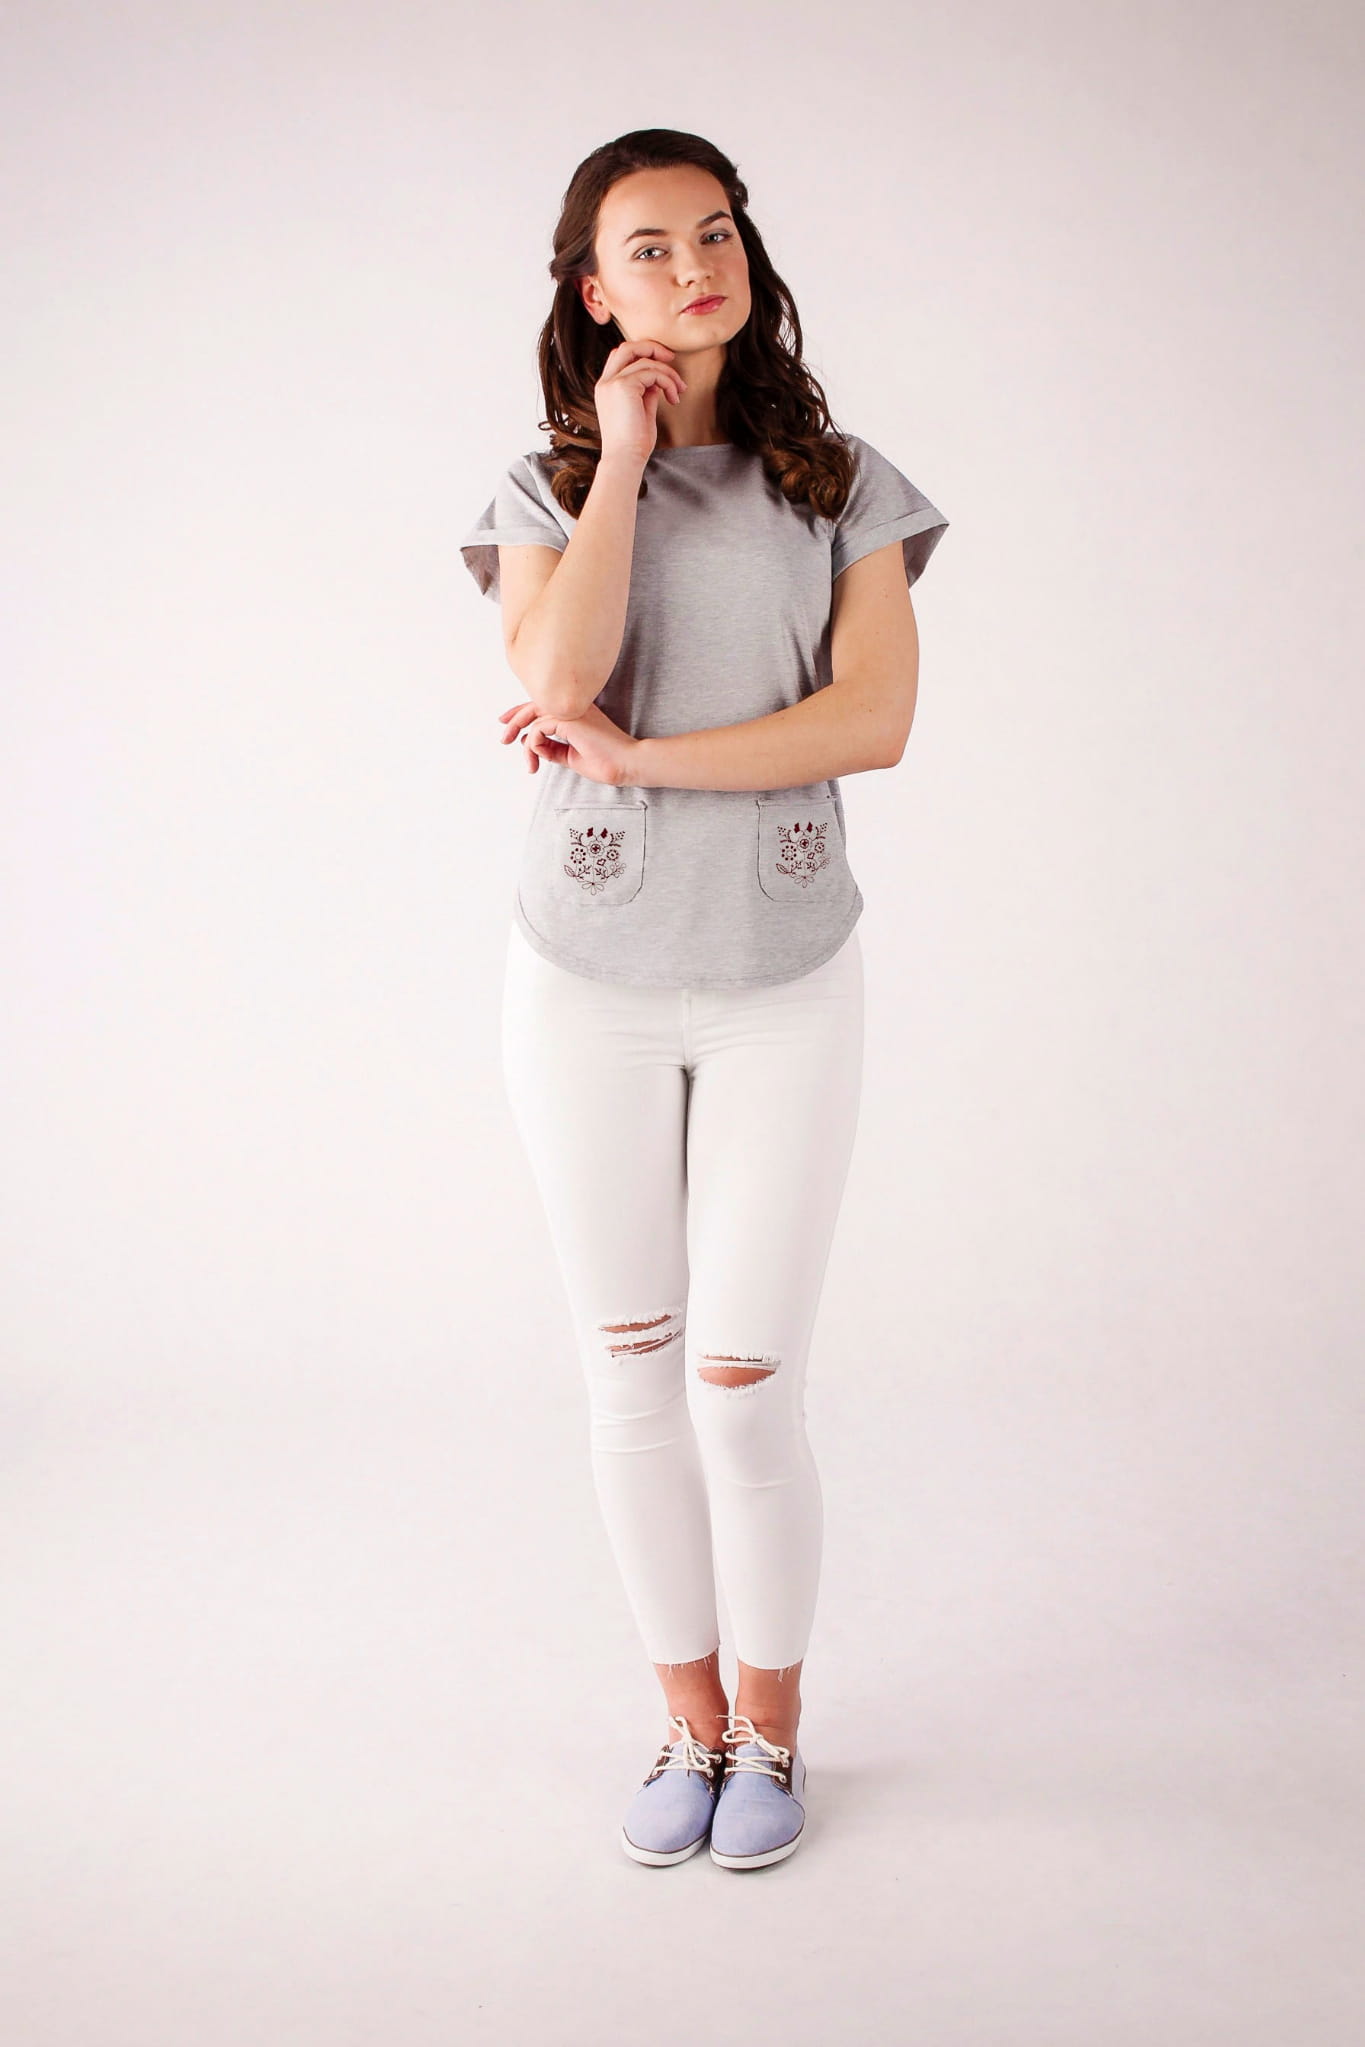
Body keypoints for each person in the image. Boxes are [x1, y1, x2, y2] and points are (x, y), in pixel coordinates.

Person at [460, 128, 948, 1871]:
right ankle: (683, 1723)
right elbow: (557, 672)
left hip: (780, 978)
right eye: (650, 247)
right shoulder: (540, 492)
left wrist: (644, 759)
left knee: (744, 1388)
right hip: (583, 982)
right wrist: (621, 460)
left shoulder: (843, 486)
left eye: (716, 232)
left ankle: (771, 1731)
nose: (693, 267)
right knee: (630, 1375)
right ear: (595, 294)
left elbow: (871, 722)